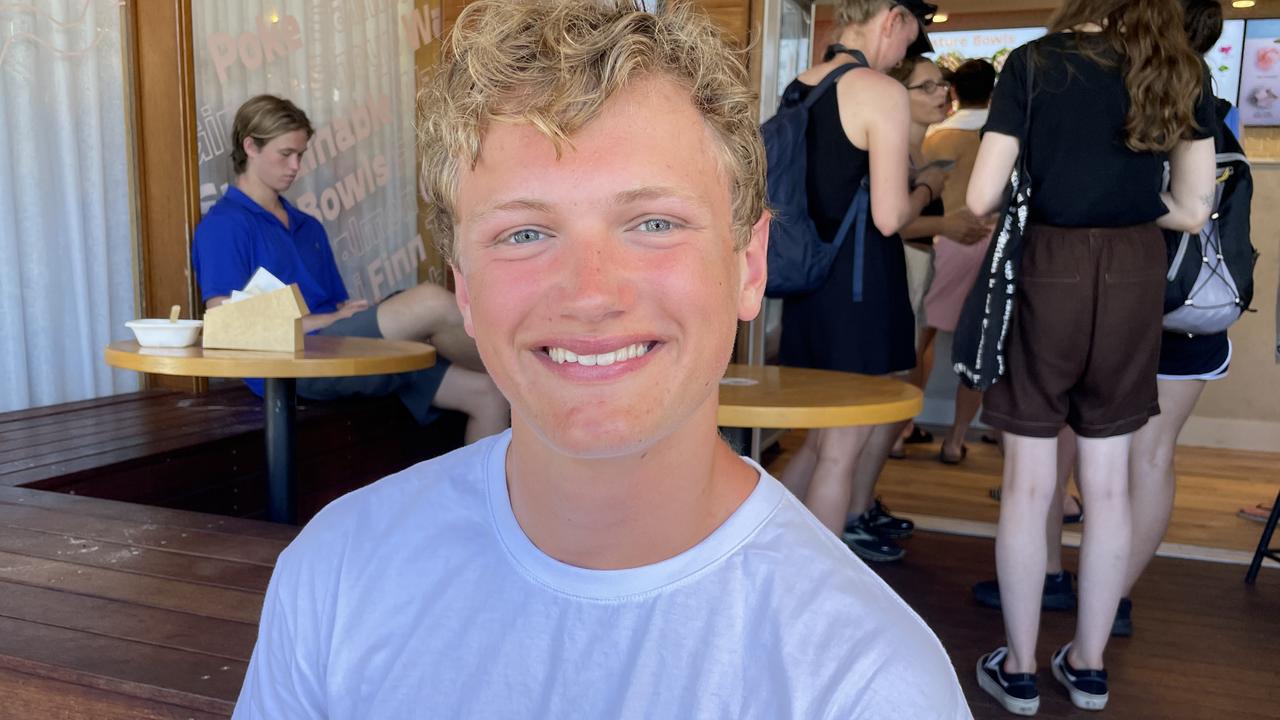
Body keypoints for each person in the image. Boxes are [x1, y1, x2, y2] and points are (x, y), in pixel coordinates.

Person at [231, 2, 972, 718]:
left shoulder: (866, 679)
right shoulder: (338, 573)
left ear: (749, 267)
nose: (589, 295)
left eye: (654, 222)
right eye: (523, 234)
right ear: (464, 290)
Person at [966, 0, 1216, 714]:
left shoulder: (1035, 63)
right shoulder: (1177, 67)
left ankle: (1017, 670)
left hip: (1049, 264)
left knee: (1029, 482)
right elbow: (1195, 211)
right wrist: (1131, 200)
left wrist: (1060, 190)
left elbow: (985, 194)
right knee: (1108, 487)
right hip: (1136, 271)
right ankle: (1088, 665)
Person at [192, 95, 509, 445]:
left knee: (489, 395)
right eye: (286, 154)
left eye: (301, 154)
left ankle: (480, 495)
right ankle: (524, 373)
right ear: (250, 146)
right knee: (431, 302)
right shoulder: (224, 225)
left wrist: (343, 313)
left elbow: (336, 307)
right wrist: (322, 321)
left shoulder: (307, 225)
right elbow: (225, 323)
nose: (296, 166)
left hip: (337, 345)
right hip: (288, 362)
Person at [777, 0, 948, 563]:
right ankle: (820, 585)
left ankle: (769, 556)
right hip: (858, 287)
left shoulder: (801, 85)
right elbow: (890, 217)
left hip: (809, 284)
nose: (905, 54)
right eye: (911, 39)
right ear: (893, 18)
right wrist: (926, 186)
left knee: (819, 439)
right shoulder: (878, 90)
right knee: (840, 448)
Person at [887, 57, 997, 463]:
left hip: (946, 241)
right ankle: (956, 439)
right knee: (982, 346)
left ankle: (900, 431)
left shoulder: (936, 139)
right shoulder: (1002, 134)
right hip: (993, 236)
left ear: (955, 91)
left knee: (918, 342)